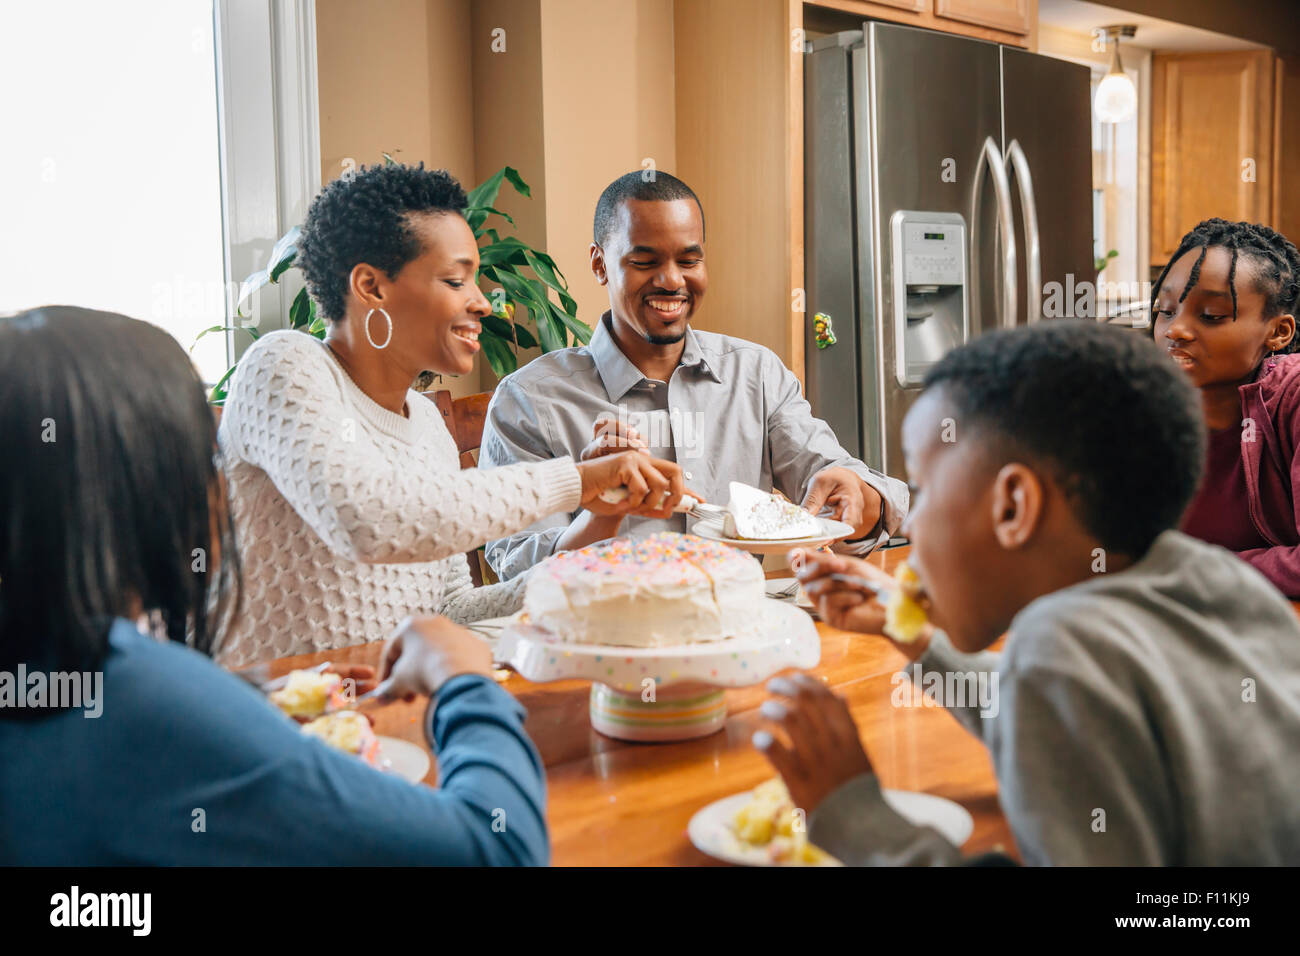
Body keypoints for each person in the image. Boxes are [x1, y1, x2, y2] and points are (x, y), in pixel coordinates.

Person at [0, 306, 553, 865]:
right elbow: (496, 850)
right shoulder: (142, 700)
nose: (223, 475)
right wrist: (466, 683)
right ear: (144, 487)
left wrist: (239, 702)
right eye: (205, 451)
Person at [757, 320, 1300, 865]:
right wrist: (918, 637)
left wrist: (859, 819)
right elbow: (1078, 725)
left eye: (923, 489)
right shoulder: (1222, 583)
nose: (914, 525)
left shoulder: (1058, 646)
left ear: (1014, 506)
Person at [217, 163, 695, 667]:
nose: (482, 303)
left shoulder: (426, 425)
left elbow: (451, 611)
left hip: (390, 721)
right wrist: (578, 480)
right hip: (277, 722)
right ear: (371, 287)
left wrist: (603, 522)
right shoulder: (283, 365)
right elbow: (365, 521)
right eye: (454, 280)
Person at [479, 171, 907, 580]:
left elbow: (841, 483)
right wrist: (600, 513)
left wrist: (859, 495)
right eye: (644, 261)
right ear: (599, 264)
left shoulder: (755, 374)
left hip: (740, 634)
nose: (671, 281)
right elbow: (521, 578)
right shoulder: (529, 401)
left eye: (688, 260)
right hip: (603, 645)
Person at [1150, 218, 1300, 597]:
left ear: (1279, 331)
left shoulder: (1293, 398)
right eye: (1166, 310)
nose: (1175, 330)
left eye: (1211, 316)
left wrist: (1197, 572)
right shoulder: (1139, 410)